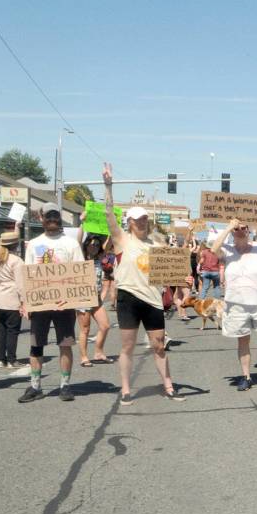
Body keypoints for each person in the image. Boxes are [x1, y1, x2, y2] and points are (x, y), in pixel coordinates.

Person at [101, 164, 186, 405]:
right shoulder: (121, 240)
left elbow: (173, 270)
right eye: (137, 220)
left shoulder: (156, 244)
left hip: (152, 300)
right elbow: (109, 214)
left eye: (144, 219)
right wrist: (108, 186)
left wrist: (183, 281)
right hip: (129, 298)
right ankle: (126, 389)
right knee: (127, 346)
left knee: (159, 345)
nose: (141, 223)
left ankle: (168, 385)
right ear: (129, 222)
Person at [17, 203, 83, 403]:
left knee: (65, 345)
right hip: (40, 305)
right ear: (41, 218)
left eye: (55, 215)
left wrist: (74, 300)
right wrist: (25, 302)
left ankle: (65, 385)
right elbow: (27, 275)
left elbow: (79, 273)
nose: (52, 218)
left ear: (59, 218)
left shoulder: (71, 244)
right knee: (36, 347)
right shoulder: (34, 244)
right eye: (49, 215)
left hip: (64, 304)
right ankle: (35, 386)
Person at [212, 217, 257, 392]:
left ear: (249, 231)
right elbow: (213, 249)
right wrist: (229, 227)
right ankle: (246, 377)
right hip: (237, 304)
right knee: (243, 340)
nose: (240, 231)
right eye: (237, 229)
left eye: (244, 228)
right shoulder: (227, 250)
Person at [74, 227, 113, 368]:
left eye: (97, 245)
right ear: (87, 244)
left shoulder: (99, 258)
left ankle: (98, 352)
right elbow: (78, 240)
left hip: (95, 297)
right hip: (82, 298)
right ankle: (84, 357)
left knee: (105, 325)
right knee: (85, 329)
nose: (95, 247)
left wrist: (111, 229)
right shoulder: (79, 257)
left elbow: (107, 245)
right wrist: (82, 224)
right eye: (92, 244)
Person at [0, 231, 24, 373]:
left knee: (2, 328)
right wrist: (23, 302)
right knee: (13, 330)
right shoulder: (16, 260)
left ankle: (1, 359)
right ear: (15, 245)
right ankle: (12, 360)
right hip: (11, 298)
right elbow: (21, 284)